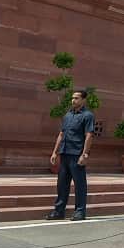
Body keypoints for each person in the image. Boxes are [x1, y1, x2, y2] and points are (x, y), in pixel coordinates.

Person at [46, 89, 94, 220]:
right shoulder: (67, 115)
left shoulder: (88, 116)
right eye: (73, 98)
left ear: (84, 100)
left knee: (79, 185)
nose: (73, 100)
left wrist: (84, 154)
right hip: (65, 153)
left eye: (77, 98)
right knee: (62, 184)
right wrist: (55, 152)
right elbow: (61, 134)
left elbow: (89, 135)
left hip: (76, 154)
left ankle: (80, 211)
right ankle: (59, 211)